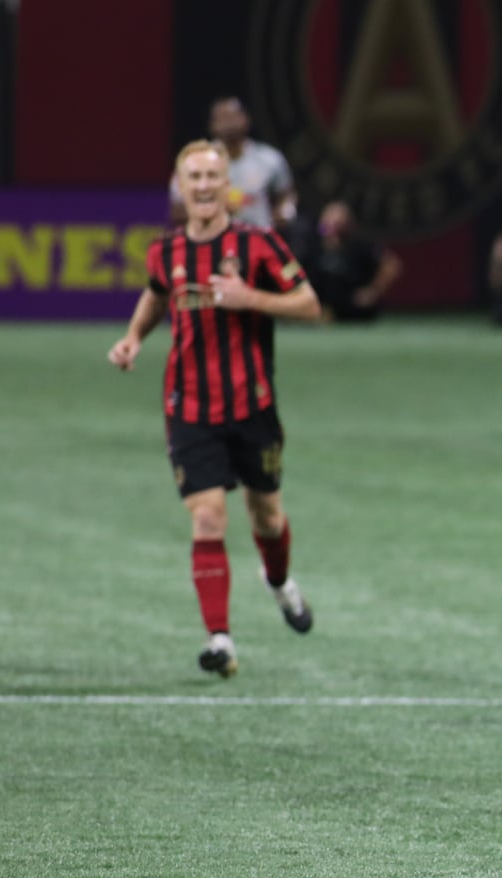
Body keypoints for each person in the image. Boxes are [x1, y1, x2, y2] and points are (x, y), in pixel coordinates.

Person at [109, 140, 321, 678]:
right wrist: (134, 337)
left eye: (211, 176)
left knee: (266, 516)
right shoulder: (167, 251)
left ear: (227, 184)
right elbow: (158, 293)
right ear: (180, 186)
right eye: (193, 177)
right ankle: (220, 640)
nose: (202, 186)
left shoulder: (258, 246)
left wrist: (253, 299)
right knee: (207, 517)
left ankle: (278, 583)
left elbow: (310, 304)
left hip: (253, 405)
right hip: (189, 407)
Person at [170, 97, 296, 230]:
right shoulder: (195, 162)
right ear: (212, 125)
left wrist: (286, 210)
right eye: (223, 118)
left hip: (258, 238)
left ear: (246, 119)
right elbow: (177, 210)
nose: (229, 123)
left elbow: (286, 193)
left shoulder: (269, 158)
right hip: (210, 240)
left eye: (233, 116)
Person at [297, 201, 402, 323]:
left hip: (354, 312)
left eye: (337, 220)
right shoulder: (311, 246)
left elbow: (391, 265)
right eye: (328, 219)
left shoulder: (359, 244)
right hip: (320, 312)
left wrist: (372, 292)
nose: (331, 224)